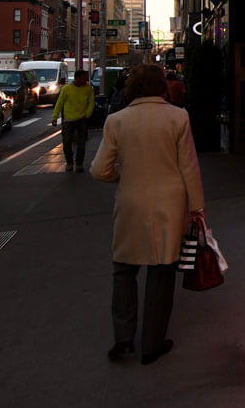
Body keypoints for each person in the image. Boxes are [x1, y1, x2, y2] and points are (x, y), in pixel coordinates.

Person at [90, 63, 205, 365]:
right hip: (170, 202)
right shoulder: (177, 117)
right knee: (162, 272)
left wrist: (123, 176)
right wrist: (197, 208)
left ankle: (123, 339)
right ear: (161, 87)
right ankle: (152, 344)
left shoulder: (116, 121)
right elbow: (189, 168)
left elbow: (100, 170)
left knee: (123, 271)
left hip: (130, 202)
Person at [51, 69, 95, 172]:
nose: (86, 79)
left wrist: (87, 114)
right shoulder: (66, 89)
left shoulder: (88, 88)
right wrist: (54, 117)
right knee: (66, 142)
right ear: (77, 78)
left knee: (82, 142)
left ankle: (79, 163)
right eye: (84, 77)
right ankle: (69, 162)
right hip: (68, 119)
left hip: (82, 119)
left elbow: (91, 102)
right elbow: (59, 103)